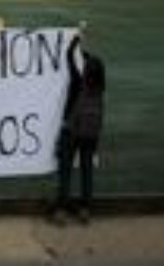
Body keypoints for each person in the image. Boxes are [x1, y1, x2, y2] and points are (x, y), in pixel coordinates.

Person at [52, 34, 106, 225]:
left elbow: (68, 57)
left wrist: (75, 42)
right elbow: (90, 64)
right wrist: (85, 53)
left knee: (65, 172)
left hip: (71, 132)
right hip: (91, 135)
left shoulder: (77, 82)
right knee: (86, 171)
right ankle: (85, 209)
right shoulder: (100, 89)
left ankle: (61, 210)